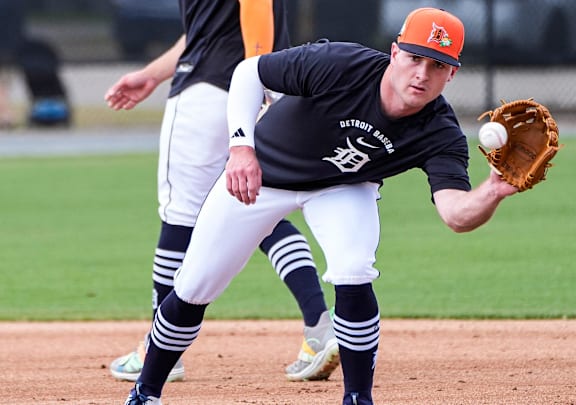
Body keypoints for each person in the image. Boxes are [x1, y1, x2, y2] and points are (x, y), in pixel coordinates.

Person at [122, 7, 519, 405]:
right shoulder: (342, 64)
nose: (422, 74)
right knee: (193, 285)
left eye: (437, 65)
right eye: (415, 58)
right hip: (263, 175)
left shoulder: (440, 132)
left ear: (452, 74)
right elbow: (249, 73)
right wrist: (241, 146)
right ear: (395, 53)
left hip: (341, 187)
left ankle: (358, 399)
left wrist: (494, 190)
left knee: (353, 268)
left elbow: (454, 214)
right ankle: (147, 393)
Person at [105, 0, 338, 385]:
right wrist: (152, 74)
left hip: (209, 92)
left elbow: (255, 7)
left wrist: (259, 81)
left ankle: (158, 347)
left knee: (179, 214)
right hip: (244, 86)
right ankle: (319, 327)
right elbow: (204, 32)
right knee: (260, 209)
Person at [0, 2, 71, 127]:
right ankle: (5, 116)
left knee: (4, 80)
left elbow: (14, 28)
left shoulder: (9, 7)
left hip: (8, 48)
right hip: (9, 47)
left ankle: (5, 117)